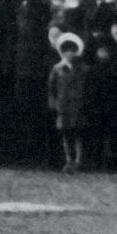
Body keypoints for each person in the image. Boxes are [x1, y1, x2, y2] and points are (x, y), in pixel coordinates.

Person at [47, 32, 88, 173]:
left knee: (78, 133)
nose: (69, 53)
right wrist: (53, 104)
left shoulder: (84, 69)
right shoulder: (57, 69)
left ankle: (79, 161)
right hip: (63, 105)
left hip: (78, 104)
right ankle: (68, 160)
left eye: (72, 50)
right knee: (66, 134)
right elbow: (51, 87)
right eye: (66, 51)